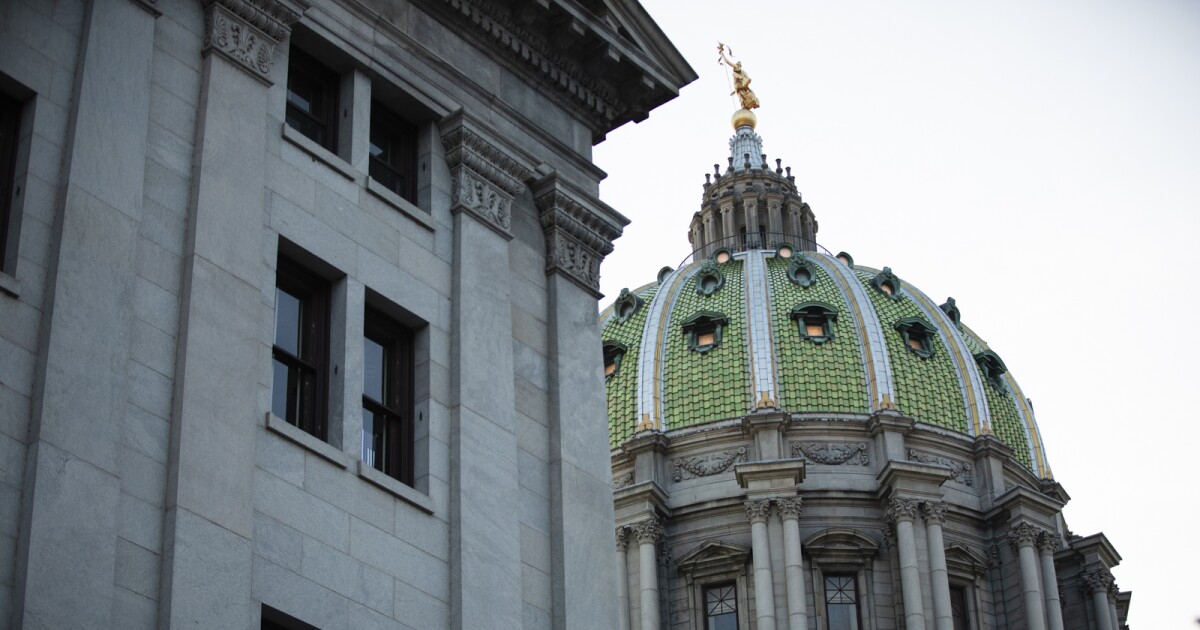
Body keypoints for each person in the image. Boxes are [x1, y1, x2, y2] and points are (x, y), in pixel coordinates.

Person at [718, 43, 760, 110]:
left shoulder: (738, 70)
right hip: (739, 89)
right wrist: (734, 91)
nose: (735, 66)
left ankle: (747, 104)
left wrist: (722, 55)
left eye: (737, 65)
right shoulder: (737, 72)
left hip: (742, 87)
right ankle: (745, 105)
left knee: (745, 96)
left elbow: (728, 62)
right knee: (742, 98)